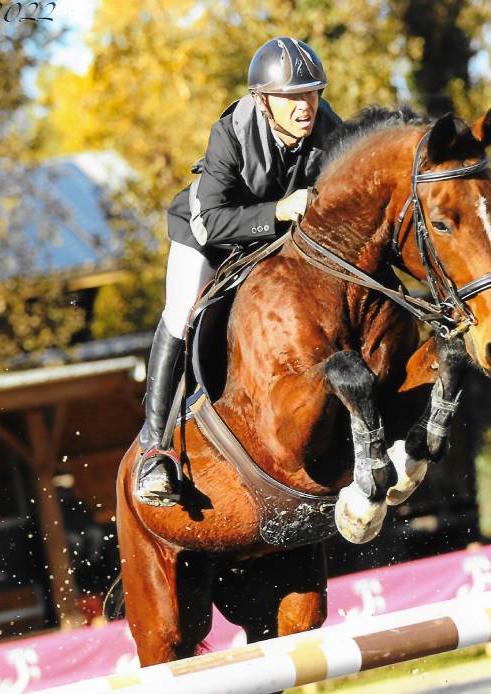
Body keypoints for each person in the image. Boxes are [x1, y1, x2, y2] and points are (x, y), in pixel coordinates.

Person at [135, 37, 343, 506]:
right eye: (291, 97)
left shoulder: (331, 130)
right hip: (209, 234)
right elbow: (211, 220)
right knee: (181, 310)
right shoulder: (230, 131)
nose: (305, 105)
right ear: (263, 100)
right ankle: (154, 451)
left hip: (273, 243)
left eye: (311, 93)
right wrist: (280, 210)